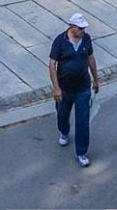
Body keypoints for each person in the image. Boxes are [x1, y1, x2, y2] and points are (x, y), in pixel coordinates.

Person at [48, 13, 100, 167]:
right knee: (62, 115)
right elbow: (52, 65)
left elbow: (91, 58)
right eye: (80, 28)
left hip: (83, 87)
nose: (83, 31)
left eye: (84, 28)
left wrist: (96, 79)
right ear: (71, 27)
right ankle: (64, 131)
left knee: (83, 121)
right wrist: (56, 88)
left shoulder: (86, 39)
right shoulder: (60, 41)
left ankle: (81, 153)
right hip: (64, 89)